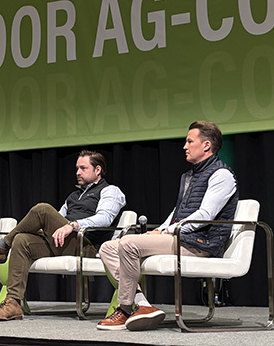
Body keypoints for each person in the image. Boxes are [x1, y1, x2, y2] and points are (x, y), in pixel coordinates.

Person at [97, 121, 238, 332]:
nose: (185, 146)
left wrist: (169, 230)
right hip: (181, 238)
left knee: (127, 244)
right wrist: (163, 227)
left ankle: (126, 308)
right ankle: (143, 305)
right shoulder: (189, 176)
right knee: (108, 247)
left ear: (207, 145)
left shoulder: (222, 175)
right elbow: (178, 211)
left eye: (190, 141)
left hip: (200, 244)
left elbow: (205, 215)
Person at [0, 150, 126, 321]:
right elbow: (59, 216)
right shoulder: (74, 196)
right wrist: (46, 229)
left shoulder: (110, 191)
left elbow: (105, 218)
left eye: (83, 168)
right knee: (22, 240)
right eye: (77, 168)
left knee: (42, 209)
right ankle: (13, 303)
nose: (78, 172)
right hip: (62, 242)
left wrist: (73, 225)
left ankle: (1, 246)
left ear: (98, 170)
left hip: (84, 245)